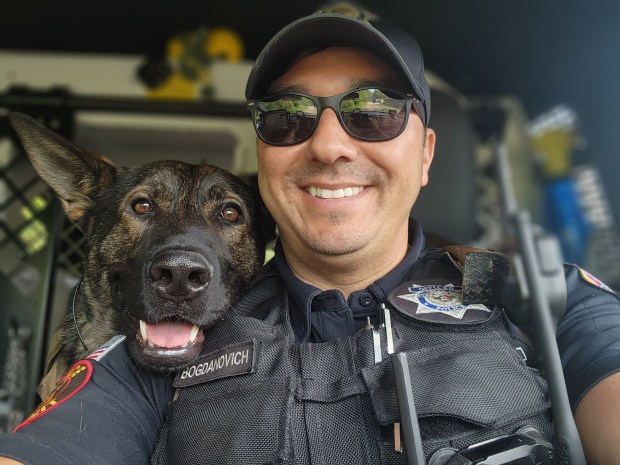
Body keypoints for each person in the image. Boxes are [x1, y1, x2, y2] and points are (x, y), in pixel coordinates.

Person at [1, 5, 620, 465]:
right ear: (265, 159)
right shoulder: (171, 339)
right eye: (287, 116)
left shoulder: (545, 302)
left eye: (374, 111)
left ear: (426, 153)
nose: (327, 144)